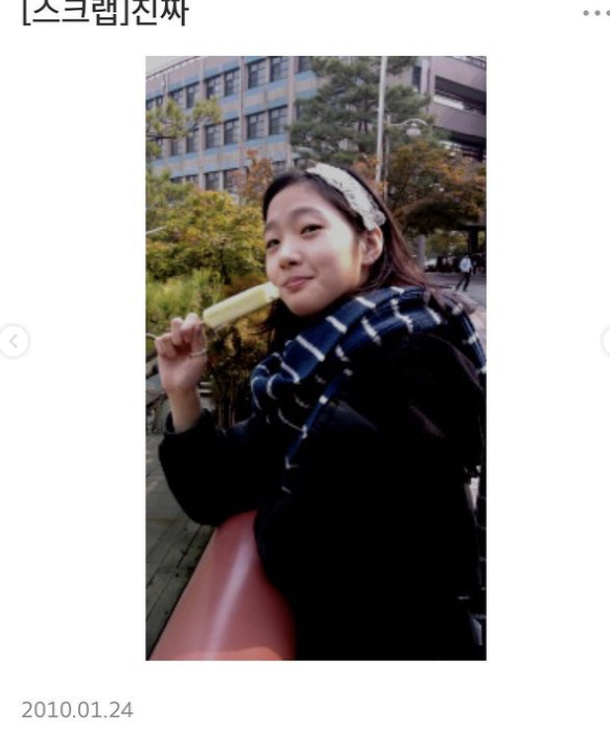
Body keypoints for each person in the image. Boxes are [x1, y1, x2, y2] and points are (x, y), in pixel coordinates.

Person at [155, 163, 486, 660]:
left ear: (369, 244)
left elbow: (305, 546)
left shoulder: (413, 360)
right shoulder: (305, 369)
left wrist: (271, 500)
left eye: (309, 229)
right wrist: (183, 392)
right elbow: (216, 492)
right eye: (272, 242)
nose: (285, 255)